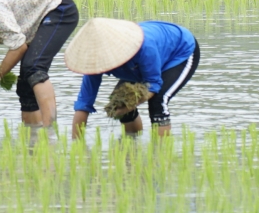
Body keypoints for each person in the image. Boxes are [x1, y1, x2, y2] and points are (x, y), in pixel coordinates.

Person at [66, 18, 199, 138]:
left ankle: (161, 155)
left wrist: (126, 108)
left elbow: (153, 84)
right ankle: (133, 145)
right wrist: (77, 147)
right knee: (119, 102)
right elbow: (84, 103)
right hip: (145, 59)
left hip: (179, 52)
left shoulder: (144, 47)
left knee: (158, 101)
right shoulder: (95, 61)